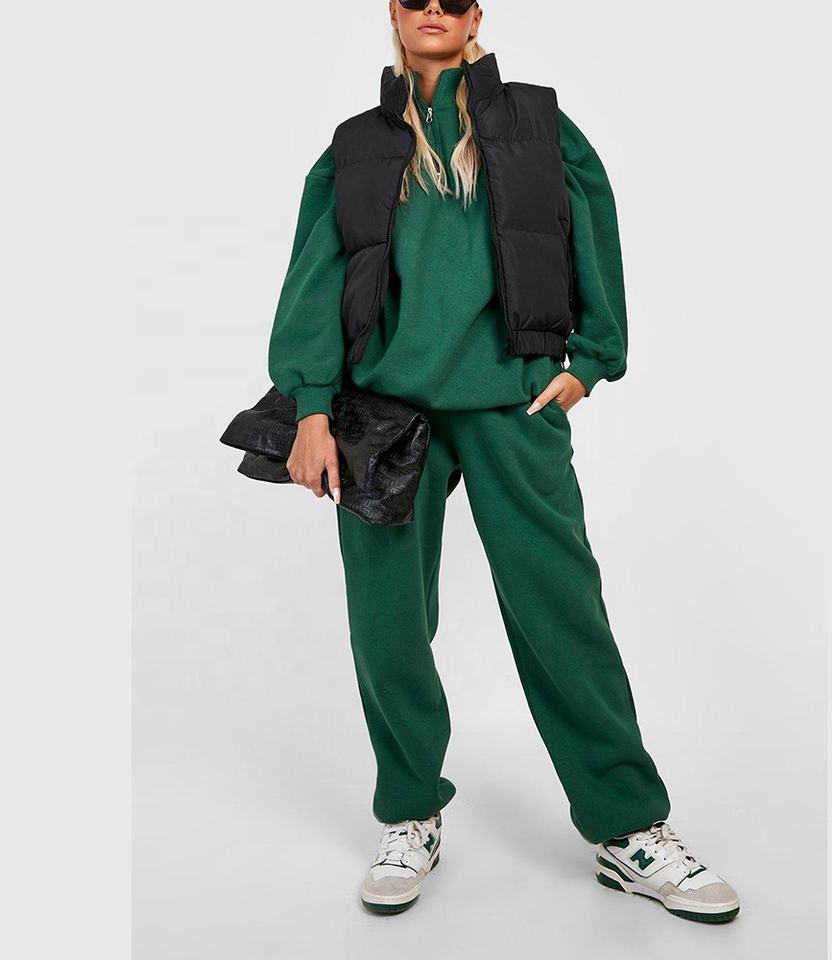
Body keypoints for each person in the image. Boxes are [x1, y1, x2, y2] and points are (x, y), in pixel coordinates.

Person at [267, 0, 740, 922]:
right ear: (393, 9)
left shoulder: (536, 123)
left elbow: (592, 231)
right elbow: (313, 275)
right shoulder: (357, 145)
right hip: (383, 414)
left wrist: (591, 362)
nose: (433, 10)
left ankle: (627, 826)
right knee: (388, 622)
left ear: (476, 11)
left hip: (512, 406)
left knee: (562, 611)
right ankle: (410, 814)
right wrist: (311, 408)